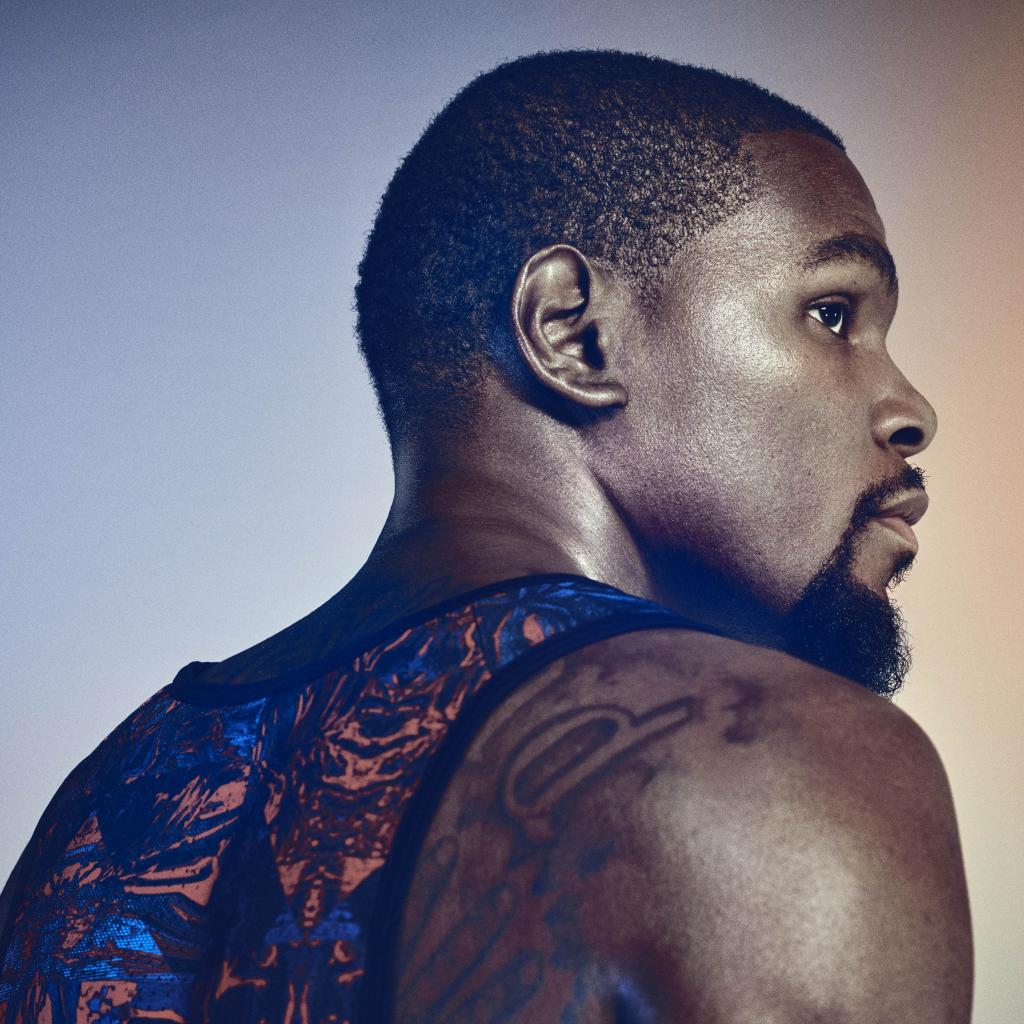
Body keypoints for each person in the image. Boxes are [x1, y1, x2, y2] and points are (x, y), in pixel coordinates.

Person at [0, 50, 971, 1023]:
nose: (910, 411)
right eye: (833, 313)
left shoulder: (99, 814)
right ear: (572, 333)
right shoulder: (769, 759)